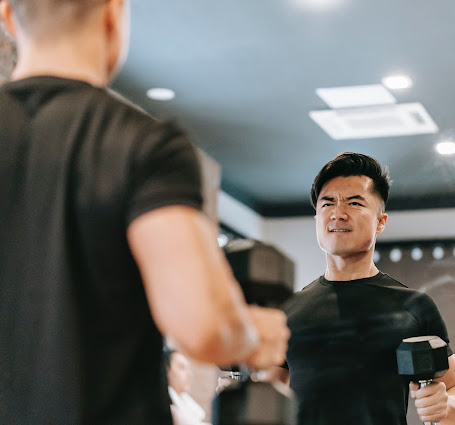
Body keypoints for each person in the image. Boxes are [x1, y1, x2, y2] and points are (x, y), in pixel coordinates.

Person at [0, 1, 289, 424]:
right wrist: (252, 335)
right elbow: (203, 327)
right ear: (113, 13)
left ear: (7, 15)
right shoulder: (143, 145)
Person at [278, 152, 455, 425]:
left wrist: (445, 405)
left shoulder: (413, 306)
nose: (338, 214)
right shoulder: (287, 310)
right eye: (328, 203)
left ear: (380, 221)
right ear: (316, 218)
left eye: (354, 203)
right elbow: (271, 392)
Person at [164, 348, 210, 425]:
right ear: (166, 371)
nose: (189, 374)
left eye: (188, 369)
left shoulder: (187, 402)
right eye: (182, 367)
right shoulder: (167, 409)